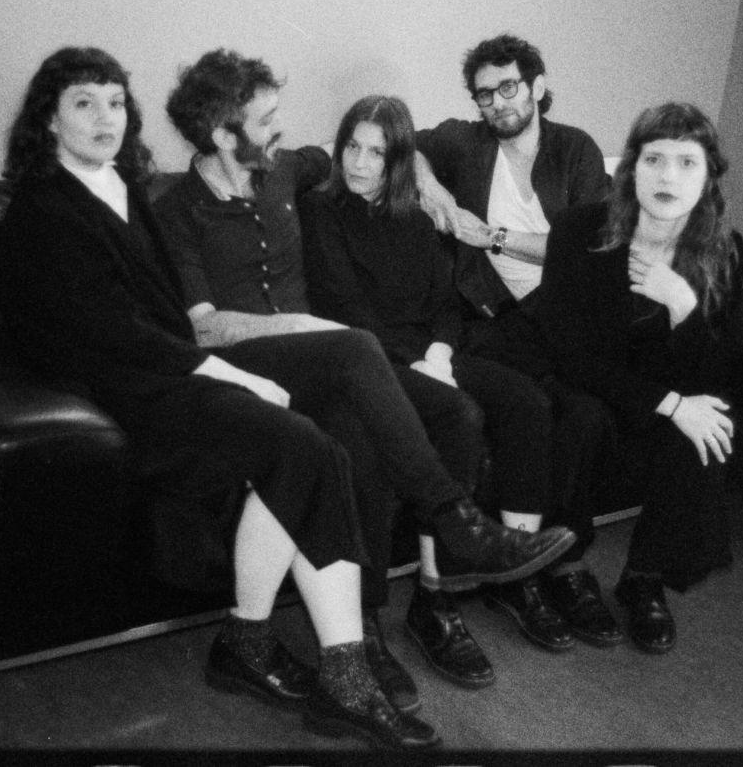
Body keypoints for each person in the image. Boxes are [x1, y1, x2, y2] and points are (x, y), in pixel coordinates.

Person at [0, 47, 443, 749]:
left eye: (115, 100)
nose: (105, 117)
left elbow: (353, 156)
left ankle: (267, 648)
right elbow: (113, 334)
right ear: (49, 119)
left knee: (311, 449)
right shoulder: (43, 209)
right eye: (84, 103)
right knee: (300, 445)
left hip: (160, 373)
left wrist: (432, 182)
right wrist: (226, 373)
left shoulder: (118, 181)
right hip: (118, 394)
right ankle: (318, 669)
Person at [152, 48, 576, 704]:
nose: (278, 132)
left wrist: (434, 196)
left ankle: (414, 605)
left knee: (448, 414)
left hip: (328, 360)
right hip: (247, 366)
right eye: (266, 120)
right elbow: (205, 326)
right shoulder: (176, 210)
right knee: (354, 359)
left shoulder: (285, 169)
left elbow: (384, 148)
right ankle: (459, 526)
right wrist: (297, 328)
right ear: (219, 131)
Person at [510, 101, 743, 653]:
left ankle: (644, 578)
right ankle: (566, 566)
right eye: (655, 159)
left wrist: (683, 307)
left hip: (663, 382)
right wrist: (674, 404)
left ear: (708, 178)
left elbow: (706, 370)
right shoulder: (580, 230)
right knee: (608, 412)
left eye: (687, 162)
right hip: (586, 383)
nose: (667, 177)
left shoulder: (722, 250)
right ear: (631, 168)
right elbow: (570, 356)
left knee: (712, 409)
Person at [300, 94, 627, 669]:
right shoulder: (322, 211)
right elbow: (346, 310)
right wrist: (422, 362)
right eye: (351, 145)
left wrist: (441, 351)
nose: (358, 162)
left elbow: (446, 303)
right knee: (458, 417)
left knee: (525, 402)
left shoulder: (417, 218)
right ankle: (411, 599)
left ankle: (485, 584)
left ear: (399, 160)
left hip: (428, 353)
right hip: (366, 358)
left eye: (376, 152)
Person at [413, 33, 610, 355]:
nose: (498, 103)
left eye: (508, 87)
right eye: (485, 94)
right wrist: (432, 188)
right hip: (503, 312)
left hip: (576, 304)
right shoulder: (469, 143)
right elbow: (407, 145)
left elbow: (583, 250)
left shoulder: (574, 148)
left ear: (537, 88)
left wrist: (493, 237)